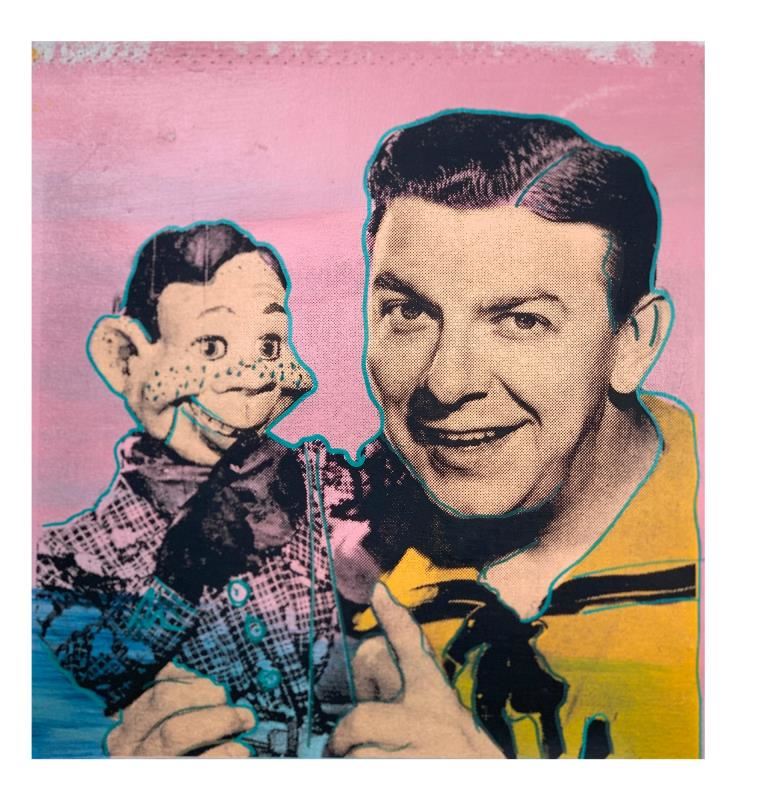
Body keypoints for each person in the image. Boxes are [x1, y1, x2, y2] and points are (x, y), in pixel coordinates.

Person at [104, 111, 701, 759]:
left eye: (522, 321)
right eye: (409, 311)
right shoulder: (320, 542)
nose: (446, 383)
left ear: (632, 342)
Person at [34, 221, 343, 757]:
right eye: (211, 346)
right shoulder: (72, 559)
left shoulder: (322, 484)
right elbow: (77, 681)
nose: (252, 379)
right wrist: (176, 582)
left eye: (270, 344)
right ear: (126, 358)